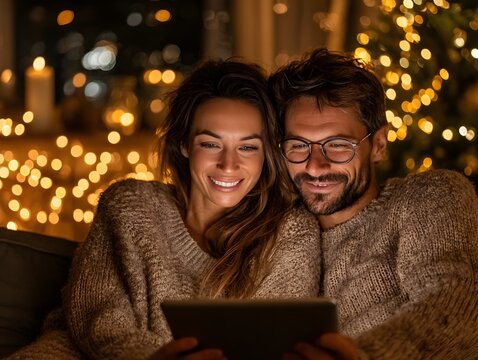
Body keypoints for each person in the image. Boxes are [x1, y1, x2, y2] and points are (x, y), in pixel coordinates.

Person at [8, 60, 323, 359]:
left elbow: (268, 342)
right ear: (184, 144)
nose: (229, 164)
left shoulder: (290, 233)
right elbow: (97, 317)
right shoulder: (130, 206)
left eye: (248, 147)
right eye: (210, 144)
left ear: (266, 153)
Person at [269, 48, 478, 359]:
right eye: (299, 145)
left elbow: (452, 301)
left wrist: (363, 356)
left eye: (337, 145)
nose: (314, 166)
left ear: (378, 145)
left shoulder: (429, 196)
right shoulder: (279, 231)